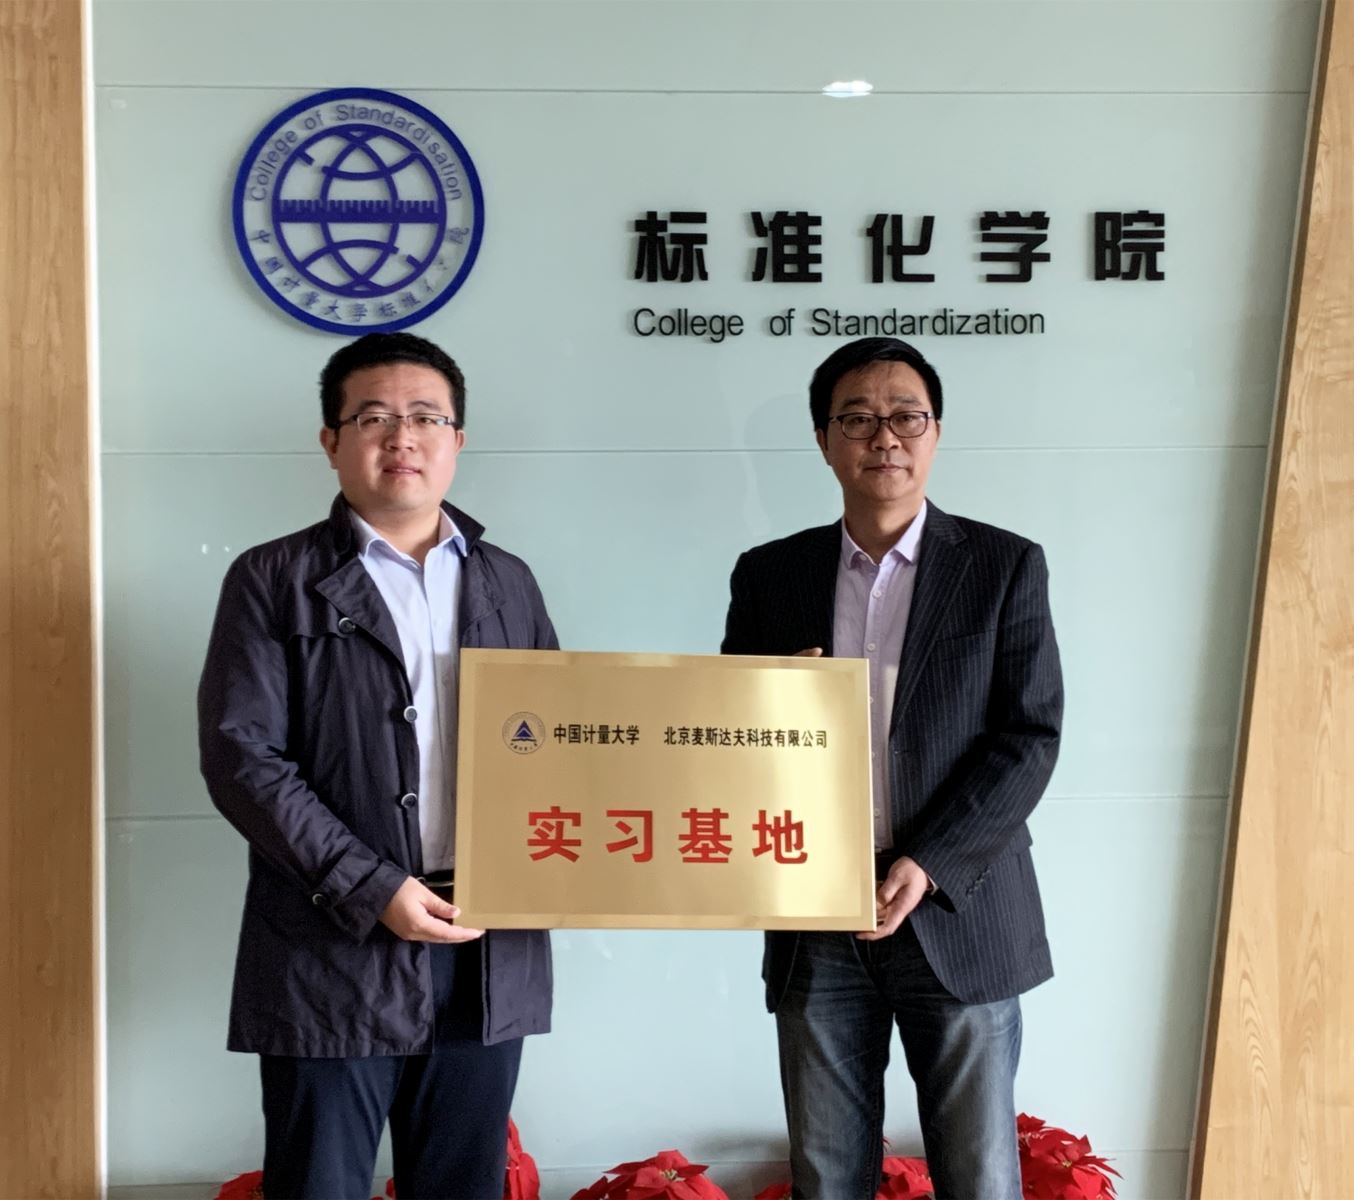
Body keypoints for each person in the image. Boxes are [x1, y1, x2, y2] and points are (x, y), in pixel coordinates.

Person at [198, 331, 558, 1200]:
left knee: (464, 1184)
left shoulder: (509, 581)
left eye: (426, 417)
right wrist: (372, 887)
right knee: (319, 1183)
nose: (403, 437)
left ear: (457, 440)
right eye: (374, 418)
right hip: (332, 944)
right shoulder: (273, 578)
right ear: (331, 441)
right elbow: (244, 758)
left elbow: (558, 745)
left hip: (484, 945)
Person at [721, 337, 1063, 1199]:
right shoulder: (770, 576)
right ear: (824, 440)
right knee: (827, 1172)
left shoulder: (1003, 565)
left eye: (906, 416)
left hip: (959, 908)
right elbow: (725, 735)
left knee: (979, 1175)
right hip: (816, 913)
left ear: (935, 431)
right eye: (858, 419)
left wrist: (928, 861)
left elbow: (1028, 735)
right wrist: (768, 699)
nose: (884, 437)